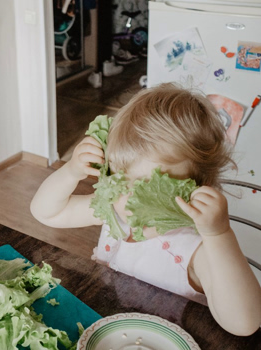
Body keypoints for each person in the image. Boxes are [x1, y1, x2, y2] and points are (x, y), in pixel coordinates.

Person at [30, 83, 261, 336]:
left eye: (148, 189)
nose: (128, 200)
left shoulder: (194, 248)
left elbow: (245, 324)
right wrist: (71, 171)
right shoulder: (114, 215)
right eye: (119, 178)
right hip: (112, 331)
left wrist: (219, 236)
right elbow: (46, 213)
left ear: (195, 189)